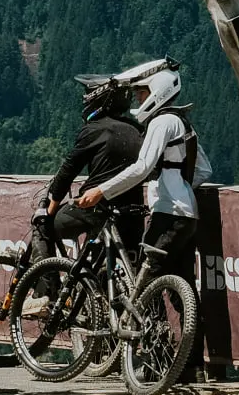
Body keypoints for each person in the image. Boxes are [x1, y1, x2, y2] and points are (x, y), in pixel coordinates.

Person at [75, 59, 212, 300]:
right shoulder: (181, 121)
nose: (138, 100)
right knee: (184, 288)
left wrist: (101, 191)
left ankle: (142, 334)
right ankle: (189, 337)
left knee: (144, 282)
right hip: (188, 216)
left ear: (157, 89)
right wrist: (181, 187)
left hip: (168, 215)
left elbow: (142, 168)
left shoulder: (160, 122)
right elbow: (203, 171)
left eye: (141, 93)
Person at [27, 72, 150, 300]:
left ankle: (46, 295)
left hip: (95, 207)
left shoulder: (94, 129)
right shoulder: (138, 129)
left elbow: (67, 172)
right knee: (126, 270)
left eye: (86, 95)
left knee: (42, 226)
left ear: (96, 98)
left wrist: (49, 209)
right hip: (131, 212)